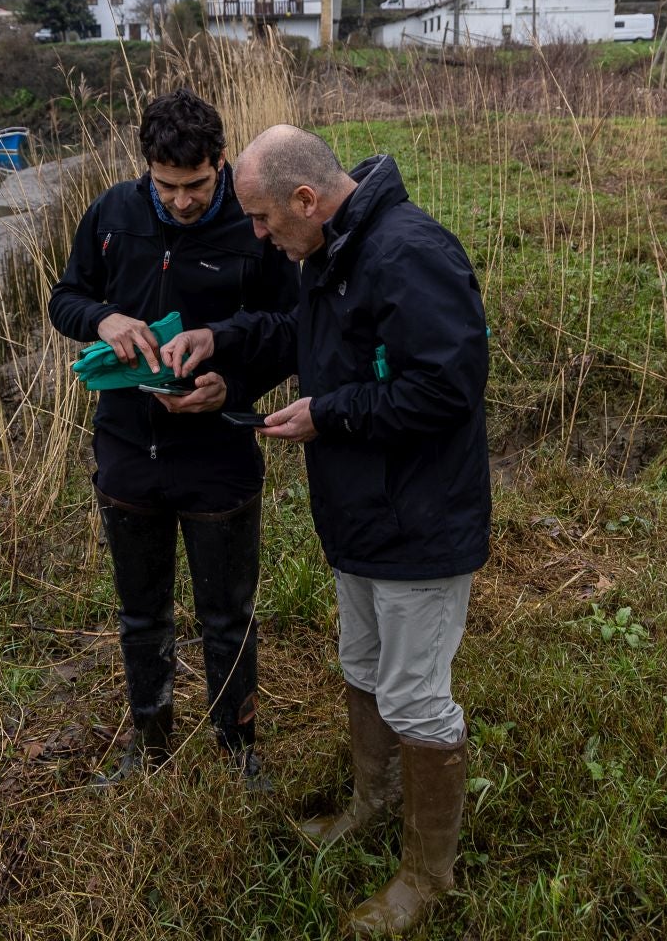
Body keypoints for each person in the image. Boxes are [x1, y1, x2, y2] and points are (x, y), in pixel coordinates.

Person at [164, 125, 490, 936]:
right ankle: (374, 806)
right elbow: (296, 340)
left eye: (265, 221)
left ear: (306, 199)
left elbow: (447, 387)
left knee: (417, 696)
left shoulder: (409, 253)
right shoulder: (329, 252)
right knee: (363, 664)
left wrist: (330, 413)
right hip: (360, 516)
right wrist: (223, 343)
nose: (259, 237)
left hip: (419, 522)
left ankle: (428, 876)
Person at [48, 89, 298, 786]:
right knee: (139, 613)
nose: (184, 202)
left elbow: (294, 329)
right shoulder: (111, 215)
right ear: (146, 170)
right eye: (168, 186)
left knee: (228, 615)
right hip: (127, 452)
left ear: (220, 163)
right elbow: (62, 297)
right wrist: (100, 319)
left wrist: (233, 388)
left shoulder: (254, 227)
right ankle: (149, 746)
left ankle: (236, 749)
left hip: (218, 452)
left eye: (197, 185)